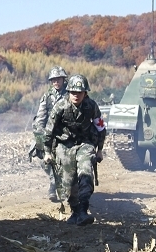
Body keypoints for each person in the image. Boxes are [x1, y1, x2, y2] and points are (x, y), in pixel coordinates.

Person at [44, 74, 106, 226]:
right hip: (64, 145)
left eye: (79, 92)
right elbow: (49, 131)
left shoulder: (91, 106)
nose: (76, 95)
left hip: (85, 143)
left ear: (85, 93)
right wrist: (47, 152)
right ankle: (75, 211)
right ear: (68, 92)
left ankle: (84, 210)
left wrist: (99, 149)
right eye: (73, 92)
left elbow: (100, 127)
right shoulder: (60, 106)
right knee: (68, 181)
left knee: (85, 173)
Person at [32, 66, 68, 201]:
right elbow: (40, 118)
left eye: (58, 79)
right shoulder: (47, 97)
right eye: (53, 80)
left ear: (63, 79)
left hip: (66, 134)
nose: (56, 82)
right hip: (50, 133)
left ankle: (63, 185)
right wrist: (40, 138)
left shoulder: (71, 94)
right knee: (40, 155)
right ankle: (54, 181)